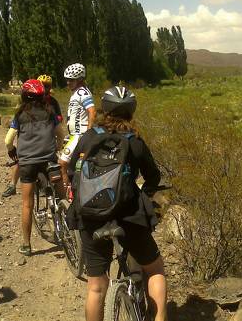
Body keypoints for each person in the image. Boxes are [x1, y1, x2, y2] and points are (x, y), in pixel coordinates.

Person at [66, 86, 167, 321]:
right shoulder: (134, 141)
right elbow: (153, 176)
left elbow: (72, 172)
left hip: (91, 217)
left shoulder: (90, 137)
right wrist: (145, 193)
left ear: (105, 109)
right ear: (131, 111)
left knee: (96, 287)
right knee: (154, 270)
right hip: (129, 216)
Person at [4, 79, 65, 255]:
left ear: (24, 96)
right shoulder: (50, 112)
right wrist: (58, 148)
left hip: (28, 164)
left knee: (27, 204)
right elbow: (60, 134)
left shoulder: (19, 115)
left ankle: (26, 244)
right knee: (61, 195)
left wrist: (12, 150)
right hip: (49, 160)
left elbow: (8, 140)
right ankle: (69, 221)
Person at [2, 73, 62, 198]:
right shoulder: (43, 105)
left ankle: (59, 198)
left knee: (22, 159)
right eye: (43, 86)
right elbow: (59, 128)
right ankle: (12, 185)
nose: (45, 88)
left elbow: (59, 117)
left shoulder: (53, 102)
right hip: (47, 141)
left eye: (47, 86)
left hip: (36, 144)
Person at [59, 63, 96, 186]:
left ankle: (67, 195)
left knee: (62, 164)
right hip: (74, 135)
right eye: (67, 79)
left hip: (79, 135)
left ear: (80, 79)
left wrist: (89, 133)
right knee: (72, 166)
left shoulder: (83, 93)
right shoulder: (76, 92)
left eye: (71, 80)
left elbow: (92, 111)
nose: (68, 82)